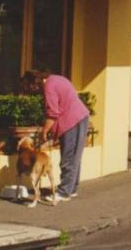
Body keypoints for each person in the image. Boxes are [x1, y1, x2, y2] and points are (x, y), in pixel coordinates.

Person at [20, 70, 89, 201]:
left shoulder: (48, 88)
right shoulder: (56, 79)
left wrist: (44, 131)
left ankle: (64, 193)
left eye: (30, 88)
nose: (33, 91)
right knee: (75, 156)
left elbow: (52, 113)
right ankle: (71, 189)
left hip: (72, 121)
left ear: (34, 83)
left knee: (68, 158)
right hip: (80, 117)